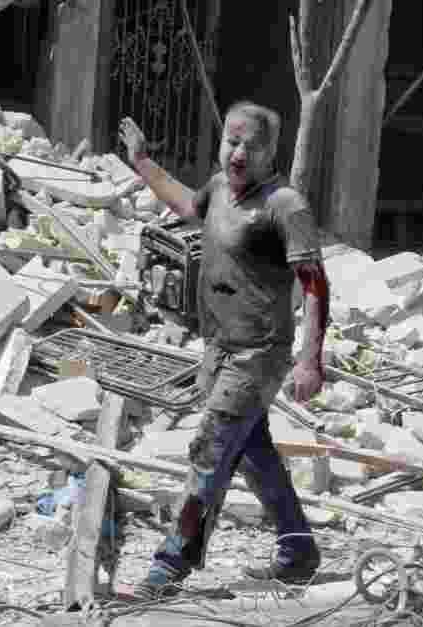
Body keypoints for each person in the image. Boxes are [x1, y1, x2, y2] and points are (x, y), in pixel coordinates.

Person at [118, 102, 331, 597]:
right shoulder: (218, 189)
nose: (238, 153)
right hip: (217, 349)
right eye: (231, 142)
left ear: (271, 152)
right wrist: (143, 163)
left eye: (250, 146)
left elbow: (316, 286)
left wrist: (310, 359)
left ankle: (170, 565)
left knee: (209, 450)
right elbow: (185, 206)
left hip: (258, 355)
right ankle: (299, 550)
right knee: (254, 454)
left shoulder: (285, 206)